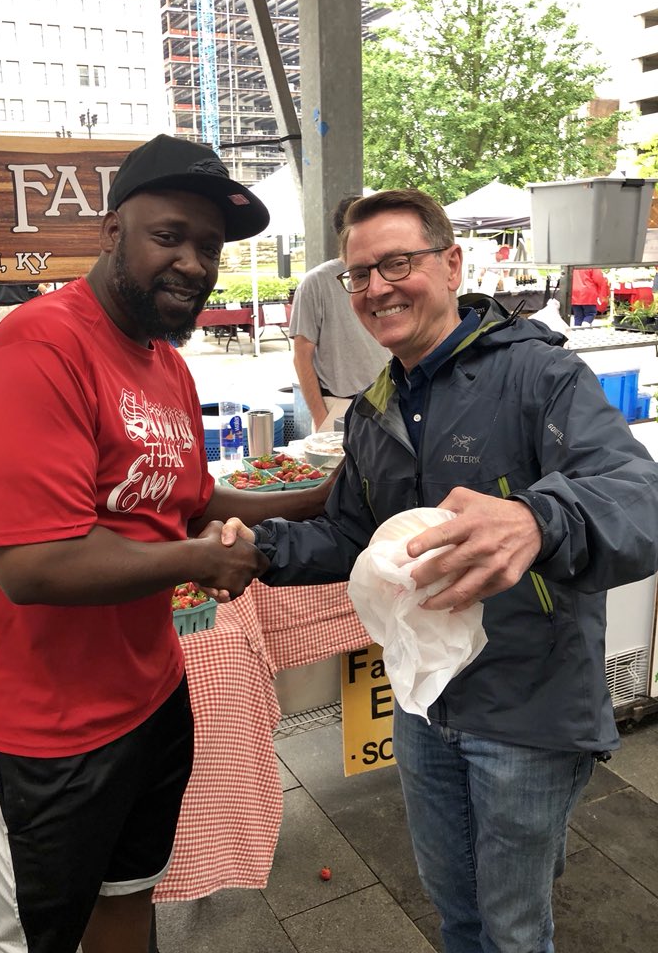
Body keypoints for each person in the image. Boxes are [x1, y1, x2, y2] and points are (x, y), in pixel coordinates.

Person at [222, 188, 658, 953]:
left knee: (515, 929)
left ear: (451, 264)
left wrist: (537, 518)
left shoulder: (538, 377)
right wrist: (256, 552)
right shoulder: (374, 408)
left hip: (530, 706)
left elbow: (638, 501)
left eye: (398, 263)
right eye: (359, 275)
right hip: (425, 702)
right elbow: (352, 537)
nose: (376, 288)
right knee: (454, 913)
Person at [0, 134, 337, 953]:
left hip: (150, 694)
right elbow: (34, 563)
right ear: (110, 231)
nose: (194, 263)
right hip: (40, 726)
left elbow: (190, 502)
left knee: (129, 898)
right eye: (170, 236)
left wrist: (325, 498)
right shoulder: (40, 347)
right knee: (29, 937)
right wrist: (203, 561)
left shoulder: (165, 363)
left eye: (210, 248)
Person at [289, 196, 388, 432]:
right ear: (344, 233)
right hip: (339, 406)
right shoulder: (316, 282)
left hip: (388, 402)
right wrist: (322, 419)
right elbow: (302, 355)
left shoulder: (386, 276)